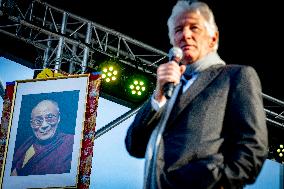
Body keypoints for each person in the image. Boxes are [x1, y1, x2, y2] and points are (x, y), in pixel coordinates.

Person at [125, 1, 268, 189]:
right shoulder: (170, 87)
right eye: (178, 30)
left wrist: (217, 183)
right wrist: (158, 95)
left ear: (213, 38)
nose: (185, 35)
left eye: (194, 27)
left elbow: (253, 146)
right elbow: (134, 146)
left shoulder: (235, 76)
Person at [11, 99, 74, 176]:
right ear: (31, 124)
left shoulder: (71, 143)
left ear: (58, 118)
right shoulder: (27, 144)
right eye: (37, 121)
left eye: (50, 118)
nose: (44, 125)